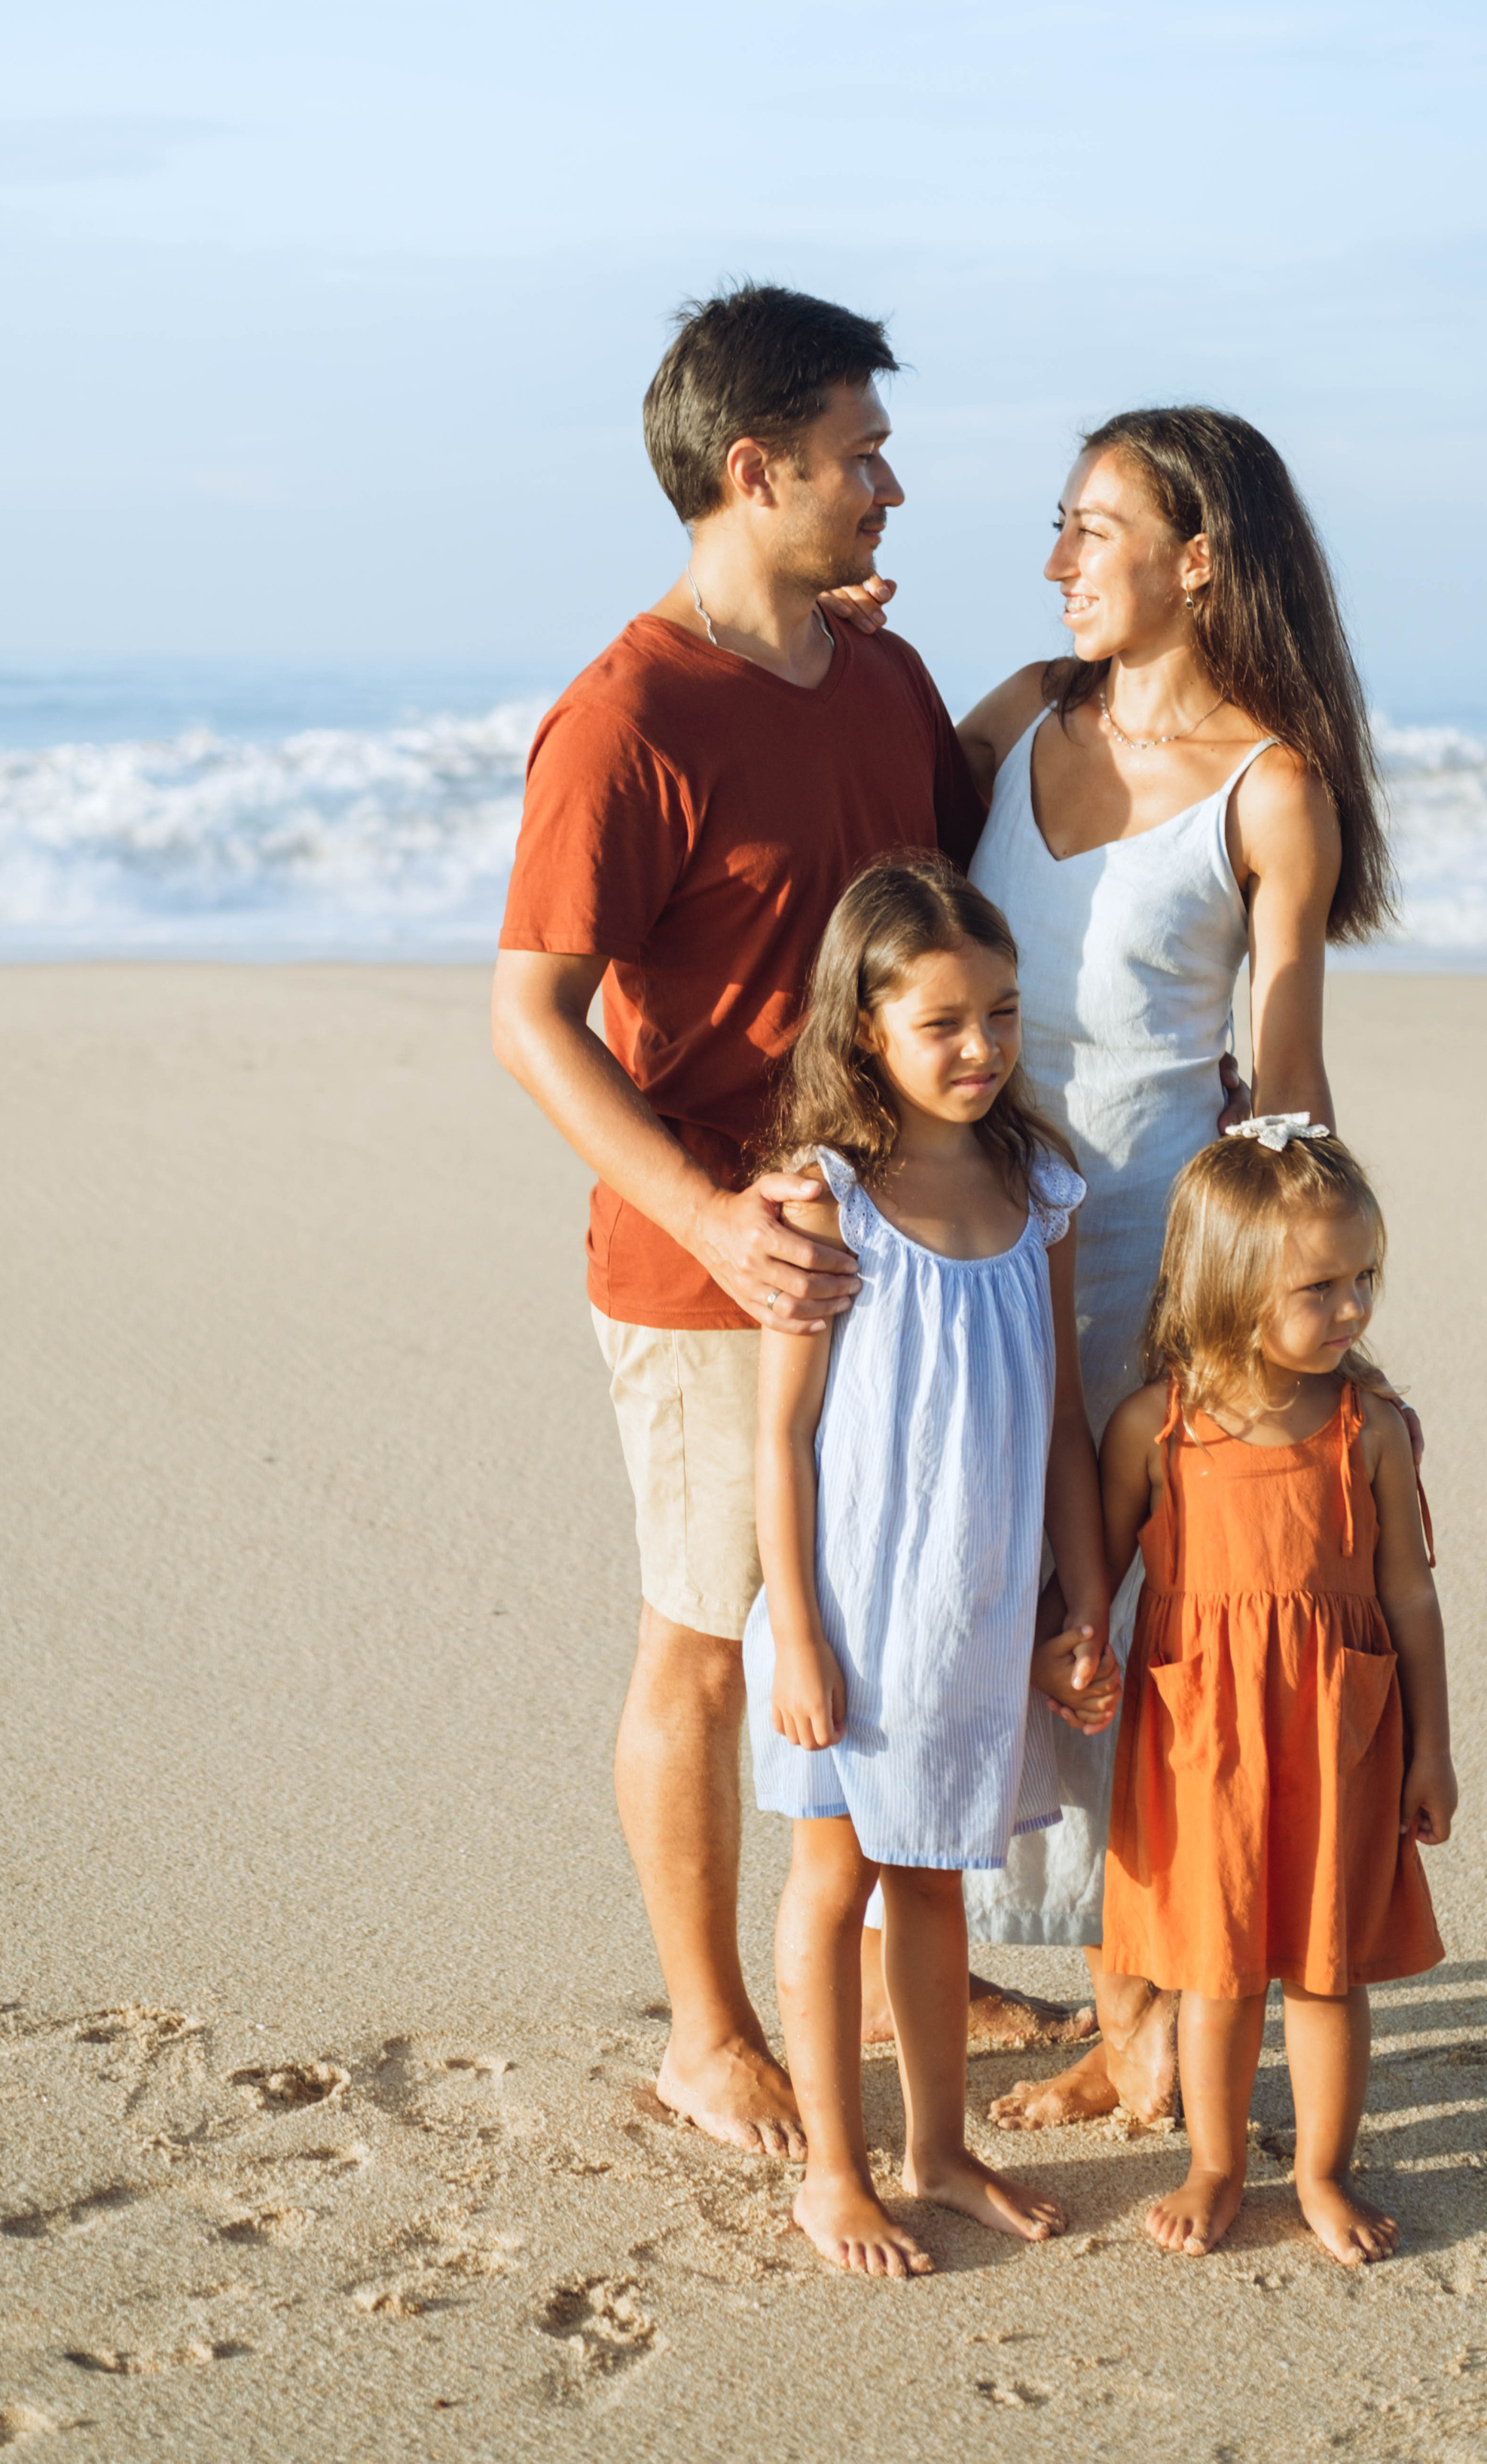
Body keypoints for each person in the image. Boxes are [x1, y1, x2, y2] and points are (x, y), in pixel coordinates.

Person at [490, 284, 988, 2159]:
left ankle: (855, 1959)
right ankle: (706, 2032)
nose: (889, 488)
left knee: (855, 1620)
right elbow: (527, 1017)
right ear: (751, 468)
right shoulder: (624, 716)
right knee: (705, 1641)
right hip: (709, 1264)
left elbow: (957, 884)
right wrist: (708, 1219)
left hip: (901, 1249)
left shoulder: (880, 675)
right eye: (860, 458)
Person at [915, 406, 1402, 2133]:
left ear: (1196, 559)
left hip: (1145, 1255)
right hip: (966, 1238)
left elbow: (1284, 1083)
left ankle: (1137, 2019)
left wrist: (1300, 1318)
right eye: (1053, 527)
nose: (1055, 561)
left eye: (1090, 529)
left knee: (1133, 1621)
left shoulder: (1271, 785)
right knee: (979, 1585)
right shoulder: (1011, 720)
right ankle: (969, 1947)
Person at [744, 856, 1111, 2273]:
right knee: (833, 1883)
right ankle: (835, 2169)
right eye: (944, 1021)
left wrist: (1076, 1604)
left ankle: (940, 2147)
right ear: (865, 1030)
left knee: (940, 1884)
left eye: (1003, 1014)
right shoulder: (829, 1197)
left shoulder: (1041, 1188)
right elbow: (779, 1439)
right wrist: (797, 1645)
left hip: (976, 1611)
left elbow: (1068, 1421)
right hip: (851, 1615)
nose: (981, 1048)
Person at [1095, 1118, 1452, 2266]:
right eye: (1320, 1287)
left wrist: (1433, 1751)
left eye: (1363, 1281)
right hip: (1203, 1737)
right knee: (1218, 1966)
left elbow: (1411, 1603)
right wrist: (1071, 1654)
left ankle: (1320, 2171)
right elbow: (1094, 1580)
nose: (1352, 1309)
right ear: (1231, 1287)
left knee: (1328, 1968)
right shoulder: (1160, 1428)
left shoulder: (1372, 1431)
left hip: (1340, 1737)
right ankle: (1214, 2163)